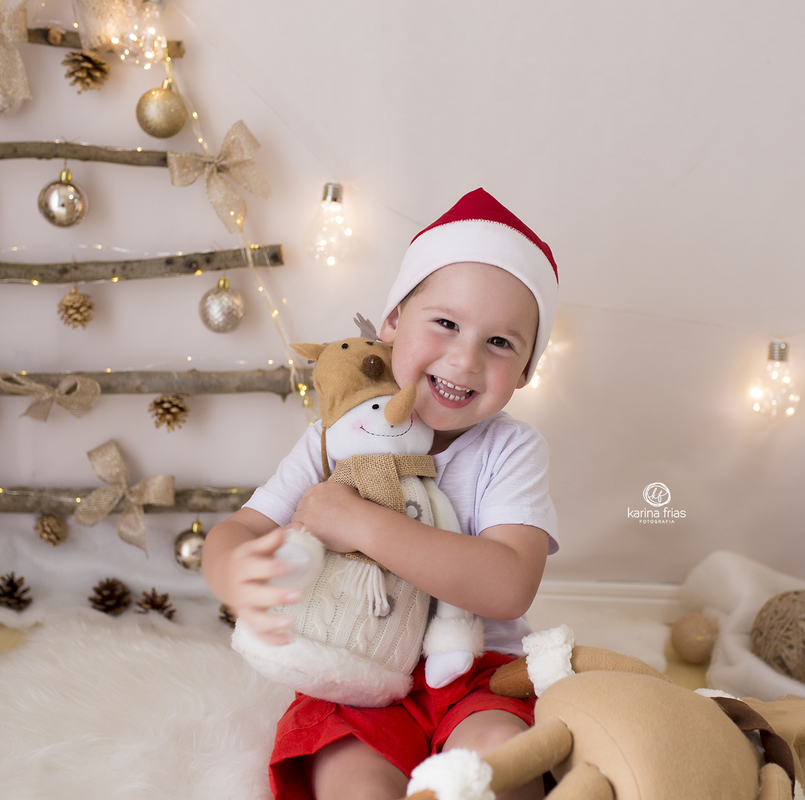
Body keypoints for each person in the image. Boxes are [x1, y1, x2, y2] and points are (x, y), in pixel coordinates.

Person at [202, 188, 560, 800]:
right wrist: (232, 567)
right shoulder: (334, 438)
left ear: (526, 371)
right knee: (355, 784)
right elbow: (243, 528)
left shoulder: (511, 449)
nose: (465, 359)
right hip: (354, 671)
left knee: (503, 759)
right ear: (392, 322)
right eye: (445, 323)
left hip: (475, 675)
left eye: (500, 343)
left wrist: (362, 525)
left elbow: (507, 584)